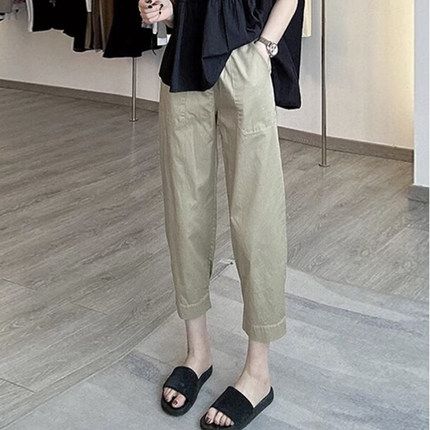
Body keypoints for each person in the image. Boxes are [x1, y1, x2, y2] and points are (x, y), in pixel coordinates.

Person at [139, 0, 301, 428]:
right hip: (184, 61)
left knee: (257, 216)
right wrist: (167, 12)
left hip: (246, 58)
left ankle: (258, 373)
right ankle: (197, 352)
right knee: (184, 210)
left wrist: (265, 48)